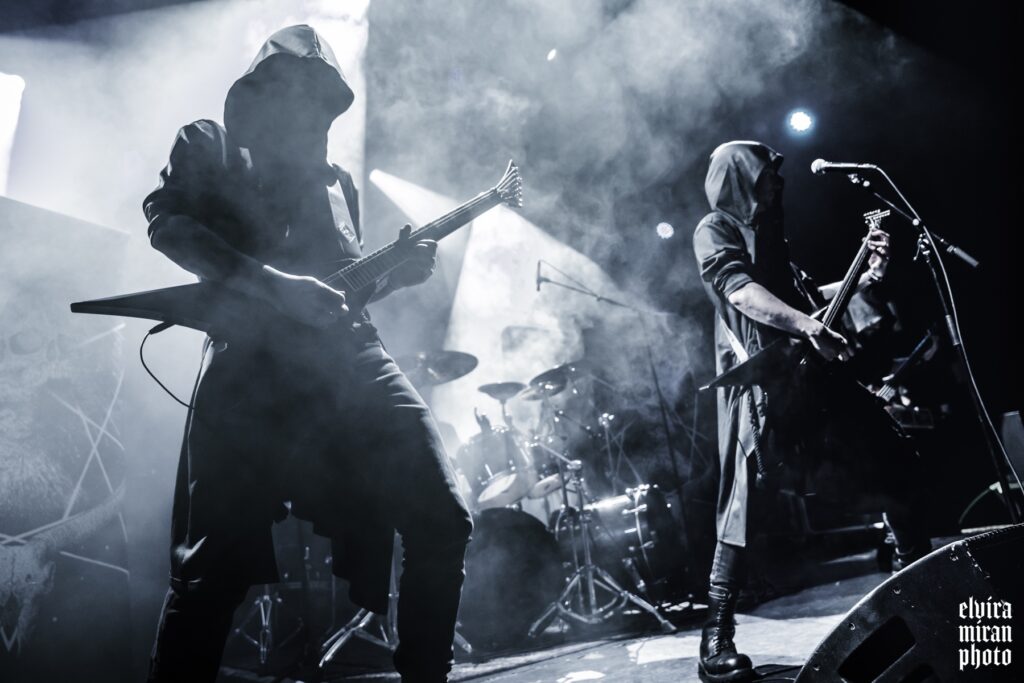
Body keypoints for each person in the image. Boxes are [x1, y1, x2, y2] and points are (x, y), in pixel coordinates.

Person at [143, 25, 472, 683]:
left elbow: (342, 292)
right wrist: (273, 285)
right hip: (248, 369)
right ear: (261, 91)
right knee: (210, 570)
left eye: (323, 95)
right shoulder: (210, 142)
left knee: (443, 514)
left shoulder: (337, 181)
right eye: (295, 88)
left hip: (350, 367)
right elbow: (168, 225)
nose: (310, 107)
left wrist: (396, 275)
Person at [690, 141, 930, 683]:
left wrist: (862, 276)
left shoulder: (772, 238)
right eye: (767, 177)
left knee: (896, 460)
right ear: (740, 179)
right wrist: (806, 325)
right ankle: (715, 640)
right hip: (758, 381)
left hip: (809, 376)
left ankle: (917, 598)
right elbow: (741, 292)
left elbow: (803, 297)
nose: (778, 185)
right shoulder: (716, 228)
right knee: (741, 504)